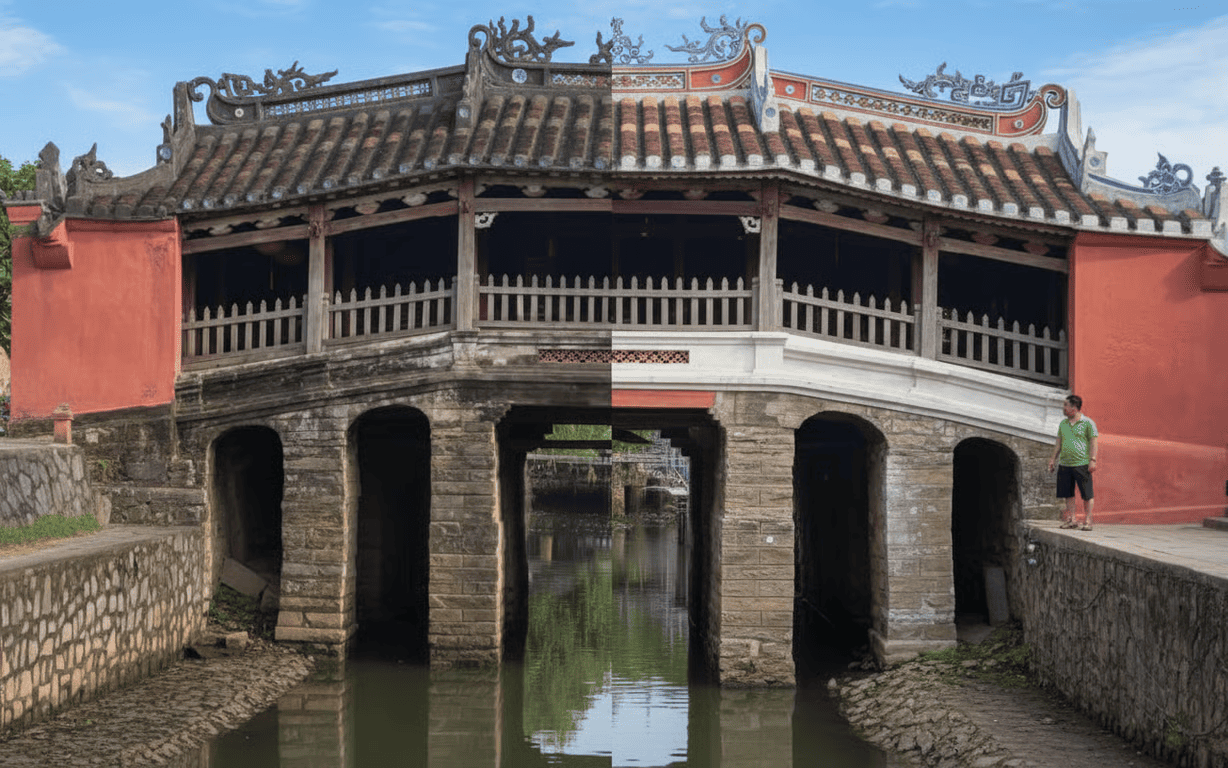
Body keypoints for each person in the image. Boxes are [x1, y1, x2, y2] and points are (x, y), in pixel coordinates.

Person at [1047, 394, 1098, 530]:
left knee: (1087, 493)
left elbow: (1093, 442)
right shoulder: (1063, 424)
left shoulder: (1088, 423)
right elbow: (1058, 443)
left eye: (1065, 405)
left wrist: (1093, 459)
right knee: (1067, 493)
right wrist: (1053, 459)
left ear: (1074, 407)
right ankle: (1072, 519)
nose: (1063, 408)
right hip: (1065, 463)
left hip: (1082, 463)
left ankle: (1088, 520)